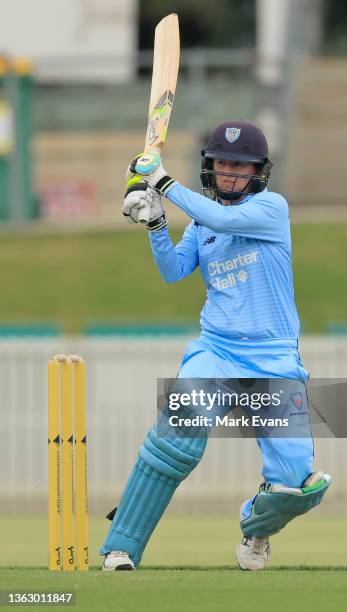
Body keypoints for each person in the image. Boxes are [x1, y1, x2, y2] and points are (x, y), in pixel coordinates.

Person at [100, 119, 331, 571]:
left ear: (258, 172)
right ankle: (121, 546)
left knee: (300, 484)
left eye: (240, 166)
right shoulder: (201, 228)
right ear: (210, 167)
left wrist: (160, 181)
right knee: (176, 439)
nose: (230, 174)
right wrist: (156, 223)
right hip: (217, 350)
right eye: (223, 164)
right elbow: (172, 270)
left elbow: (222, 216)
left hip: (273, 357)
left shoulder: (271, 209)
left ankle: (256, 526)